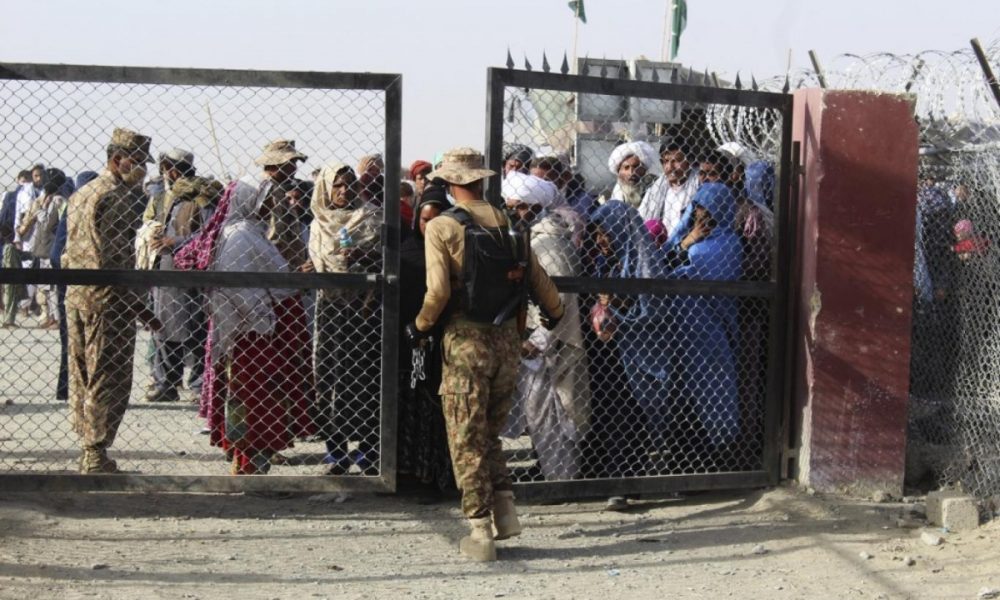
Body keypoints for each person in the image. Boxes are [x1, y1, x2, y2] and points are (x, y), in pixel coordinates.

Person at [406, 147, 564, 561]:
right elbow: (539, 280)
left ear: (449, 182)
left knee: (465, 439)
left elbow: (438, 292)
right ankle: (506, 513)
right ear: (480, 180)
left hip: (466, 343)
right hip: (507, 343)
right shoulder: (508, 222)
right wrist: (554, 313)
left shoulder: (442, 226)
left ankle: (480, 531)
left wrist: (419, 326)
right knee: (488, 433)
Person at [63, 127, 161, 473]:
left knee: (83, 373)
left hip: (78, 294)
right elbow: (117, 259)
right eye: (138, 163)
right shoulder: (118, 197)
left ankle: (87, 445)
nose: (143, 171)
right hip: (109, 300)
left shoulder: (82, 193)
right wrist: (137, 305)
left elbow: (68, 251)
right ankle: (94, 451)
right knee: (109, 374)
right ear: (118, 160)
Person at [208, 180, 310, 475]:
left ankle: (253, 461)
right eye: (262, 201)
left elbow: (272, 274)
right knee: (254, 398)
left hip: (261, 329)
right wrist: (262, 309)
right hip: (250, 332)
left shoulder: (253, 233)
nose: (268, 207)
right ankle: (248, 463)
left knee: (262, 396)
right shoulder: (239, 236)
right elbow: (237, 289)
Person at [501, 172, 591, 481]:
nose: (512, 213)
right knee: (539, 411)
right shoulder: (536, 239)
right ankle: (548, 471)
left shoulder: (549, 244)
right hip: (538, 341)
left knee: (552, 413)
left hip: (550, 344)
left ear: (531, 208)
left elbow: (560, 299)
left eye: (516, 206)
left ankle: (560, 479)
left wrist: (539, 340)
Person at [309, 162, 382, 475]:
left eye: (350, 184)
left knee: (366, 378)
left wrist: (364, 257)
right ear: (326, 188)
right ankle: (336, 452)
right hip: (330, 308)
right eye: (337, 185)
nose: (344, 190)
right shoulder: (319, 223)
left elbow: (387, 259)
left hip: (365, 310)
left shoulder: (372, 217)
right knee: (329, 377)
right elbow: (320, 258)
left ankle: (368, 452)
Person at [397, 185, 455, 493]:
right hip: (409, 346)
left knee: (440, 409)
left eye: (437, 220)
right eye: (424, 220)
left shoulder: (455, 254)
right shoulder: (406, 252)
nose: (430, 227)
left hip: (444, 344)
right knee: (411, 404)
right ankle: (408, 474)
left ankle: (437, 476)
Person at [18, 168, 68, 327]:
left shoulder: (57, 200)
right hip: (45, 247)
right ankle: (50, 316)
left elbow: (47, 224)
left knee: (52, 286)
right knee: (46, 285)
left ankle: (56, 318)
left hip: (51, 247)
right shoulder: (49, 198)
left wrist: (39, 210)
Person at [256, 139, 312, 272]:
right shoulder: (264, 192)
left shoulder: (281, 190)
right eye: (290, 163)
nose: (294, 168)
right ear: (274, 165)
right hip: (272, 269)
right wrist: (291, 269)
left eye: (294, 163)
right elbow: (272, 239)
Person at [638, 142, 700, 235]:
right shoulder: (657, 188)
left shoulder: (698, 184)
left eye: (677, 160)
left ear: (689, 162)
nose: (670, 167)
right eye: (666, 161)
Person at [1, 170, 31, 326]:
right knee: (12, 282)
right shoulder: (11, 197)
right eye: (23, 180)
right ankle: (9, 316)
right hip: (11, 243)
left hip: (23, 242)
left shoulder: (34, 196)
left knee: (18, 280)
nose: (25, 184)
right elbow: (5, 220)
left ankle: (19, 311)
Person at [607, 141, 657, 208]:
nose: (631, 173)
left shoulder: (655, 187)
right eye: (626, 168)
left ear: (644, 169)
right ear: (619, 171)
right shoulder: (617, 194)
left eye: (636, 167)